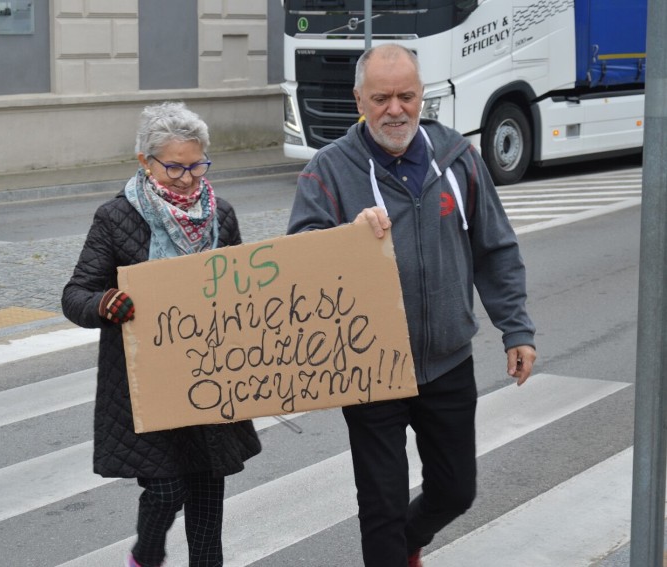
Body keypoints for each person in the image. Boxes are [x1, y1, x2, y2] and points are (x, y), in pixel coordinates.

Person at [287, 44, 537, 566]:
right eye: (381, 98)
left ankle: (408, 542)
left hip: (447, 360)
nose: (395, 109)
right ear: (359, 98)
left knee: (455, 491)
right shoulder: (328, 171)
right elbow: (299, 260)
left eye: (406, 96)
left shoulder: (458, 158)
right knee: (380, 506)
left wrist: (516, 330)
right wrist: (346, 240)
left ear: (423, 95)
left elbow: (495, 248)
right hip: (370, 368)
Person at [61, 101, 262, 567]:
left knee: (209, 515)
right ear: (145, 162)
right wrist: (104, 304)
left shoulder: (221, 215)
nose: (189, 179)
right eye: (175, 167)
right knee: (167, 488)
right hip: (143, 385)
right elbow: (76, 294)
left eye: (197, 166)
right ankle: (145, 554)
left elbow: (240, 291)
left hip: (212, 380)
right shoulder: (116, 218)